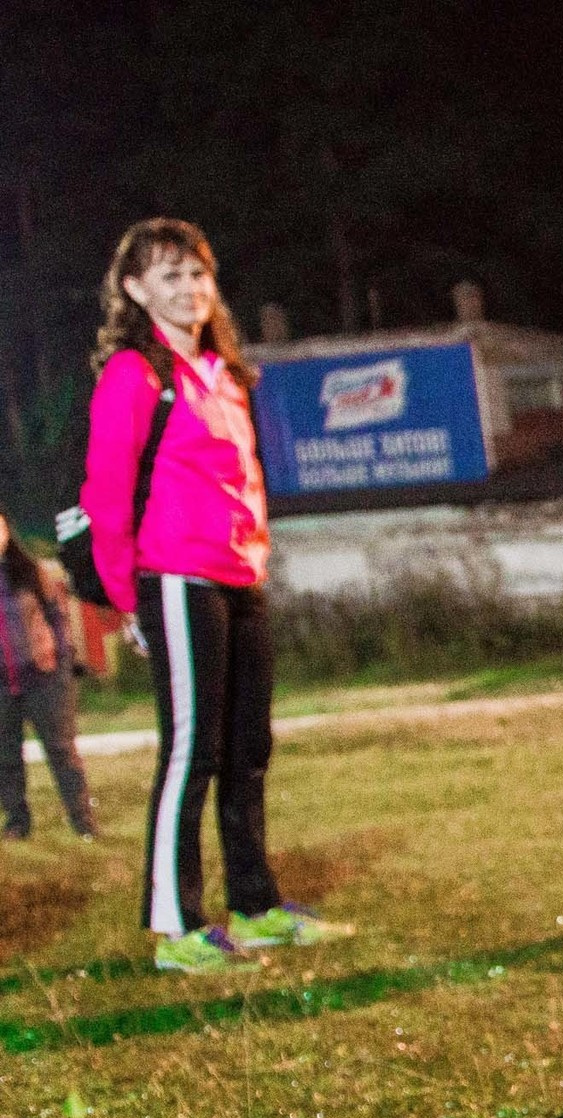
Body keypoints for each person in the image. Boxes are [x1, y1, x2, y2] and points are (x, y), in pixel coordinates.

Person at [80, 218, 352, 973]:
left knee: (248, 751)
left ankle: (257, 909)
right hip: (174, 579)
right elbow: (106, 495)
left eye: (197, 274)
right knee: (191, 752)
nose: (189, 289)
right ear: (135, 290)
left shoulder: (224, 373)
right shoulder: (136, 374)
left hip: (240, 579)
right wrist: (124, 602)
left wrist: (256, 559)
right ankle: (177, 927)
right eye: (169, 277)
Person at [1, 511, 97, 841]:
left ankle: (83, 822)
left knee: (61, 751)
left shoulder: (30, 571)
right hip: (2, 684)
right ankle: (17, 822)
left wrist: (60, 660)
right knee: (6, 755)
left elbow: (58, 618)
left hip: (43, 677)